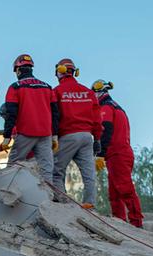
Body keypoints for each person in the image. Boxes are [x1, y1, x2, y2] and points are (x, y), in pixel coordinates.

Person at [0, 54, 58, 180]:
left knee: (12, 167)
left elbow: (10, 114)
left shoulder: (15, 87)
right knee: (46, 169)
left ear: (18, 70)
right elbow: (55, 113)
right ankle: (48, 197)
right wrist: (55, 135)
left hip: (26, 133)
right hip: (45, 134)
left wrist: (7, 137)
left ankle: (8, 194)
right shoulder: (47, 87)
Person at [51, 58, 102, 208]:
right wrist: (97, 139)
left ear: (60, 72)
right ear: (75, 72)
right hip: (87, 137)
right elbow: (97, 119)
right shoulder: (88, 92)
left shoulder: (57, 92)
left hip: (67, 136)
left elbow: (53, 116)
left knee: (56, 171)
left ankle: (63, 203)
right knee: (89, 173)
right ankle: (89, 203)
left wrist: (52, 136)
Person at [93, 80, 143, 227]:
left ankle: (136, 222)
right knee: (114, 193)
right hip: (120, 153)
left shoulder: (106, 107)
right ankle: (120, 221)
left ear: (98, 92)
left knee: (125, 189)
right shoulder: (117, 107)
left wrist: (100, 153)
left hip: (117, 153)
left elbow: (106, 129)